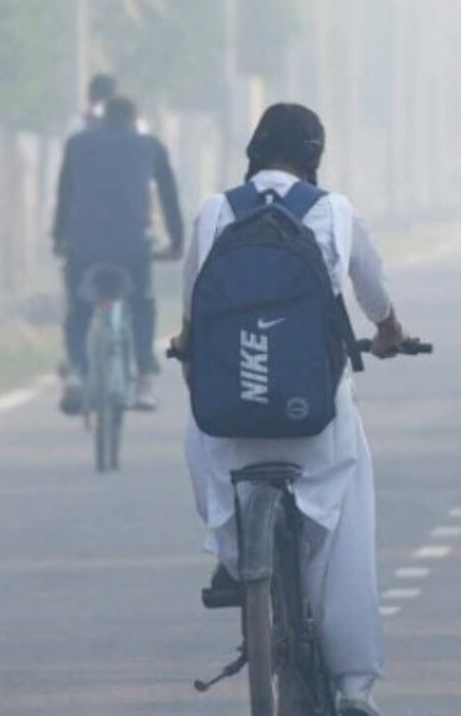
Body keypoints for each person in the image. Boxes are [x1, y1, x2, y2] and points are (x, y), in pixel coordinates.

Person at [175, 103, 409, 716]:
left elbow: (192, 317)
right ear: (313, 159)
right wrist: (388, 332)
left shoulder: (213, 212)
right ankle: (355, 688)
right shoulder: (334, 210)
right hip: (316, 425)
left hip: (230, 425)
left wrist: (185, 342)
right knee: (345, 531)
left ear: (252, 153)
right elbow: (375, 294)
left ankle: (234, 557)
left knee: (199, 442)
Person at [52, 96, 183, 413]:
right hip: (133, 247)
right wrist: (176, 243)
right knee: (142, 304)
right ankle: (145, 380)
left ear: (104, 119)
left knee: (79, 309)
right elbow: (168, 197)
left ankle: (78, 372)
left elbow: (65, 195)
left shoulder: (77, 145)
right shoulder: (150, 146)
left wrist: (59, 239)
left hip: (83, 246)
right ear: (134, 121)